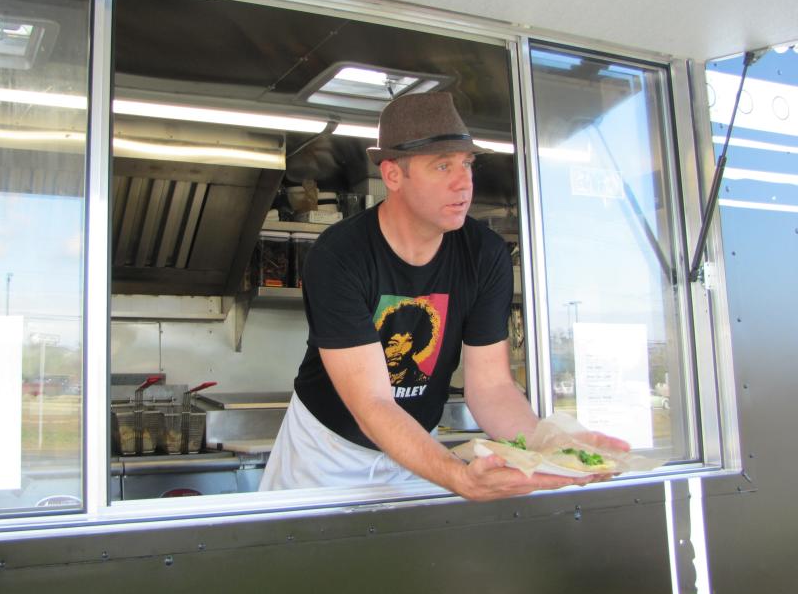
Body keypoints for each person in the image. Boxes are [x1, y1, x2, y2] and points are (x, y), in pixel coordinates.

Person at [259, 92, 628, 500]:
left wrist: (551, 450)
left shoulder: (485, 255)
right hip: (325, 455)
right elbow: (372, 402)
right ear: (393, 175)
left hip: (418, 449)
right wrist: (459, 477)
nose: (463, 182)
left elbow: (491, 387)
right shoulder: (340, 255)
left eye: (467, 164)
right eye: (442, 165)